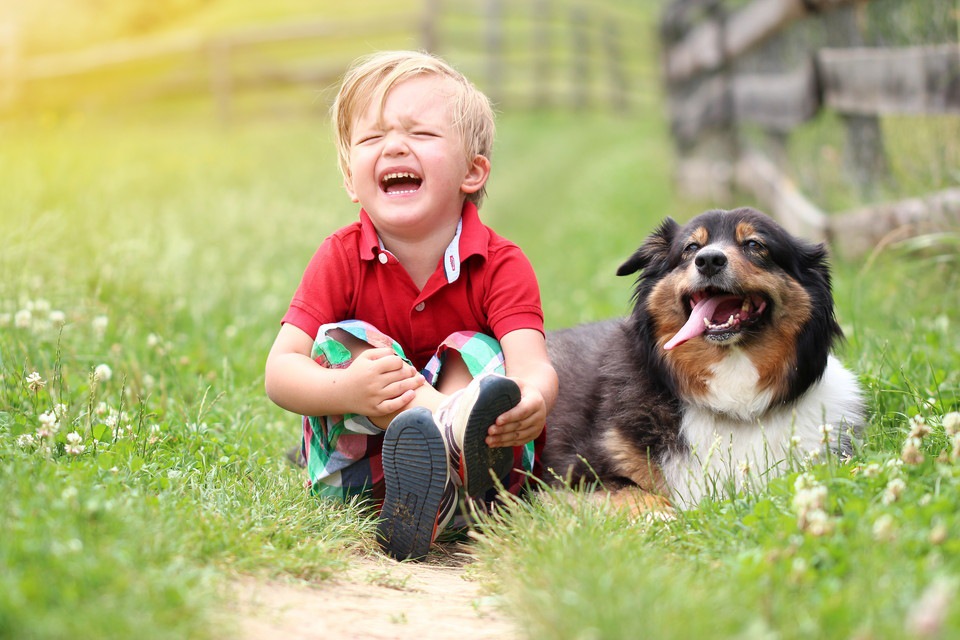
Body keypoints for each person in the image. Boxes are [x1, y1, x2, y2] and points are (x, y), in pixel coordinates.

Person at [264, 50, 558, 561]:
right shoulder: (339, 257)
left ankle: (449, 470)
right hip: (356, 488)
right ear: (351, 179)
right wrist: (348, 389)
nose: (395, 146)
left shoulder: (502, 264)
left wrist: (534, 401)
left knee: (478, 350)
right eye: (373, 138)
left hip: (480, 493)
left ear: (473, 171)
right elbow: (279, 372)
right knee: (345, 342)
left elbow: (534, 369)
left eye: (420, 134)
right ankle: (438, 437)